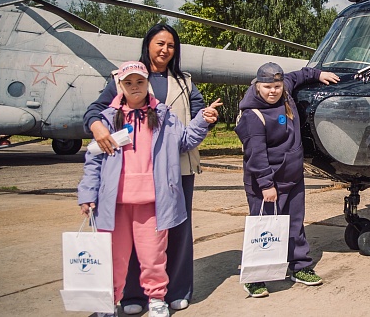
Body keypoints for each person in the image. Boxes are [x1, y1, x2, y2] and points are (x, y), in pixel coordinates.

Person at [77, 61, 220, 317]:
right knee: (115, 258)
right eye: (128, 83)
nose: (135, 87)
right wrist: (87, 193)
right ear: (119, 85)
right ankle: (108, 302)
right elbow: (94, 160)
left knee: (153, 257)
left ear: (147, 85)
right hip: (115, 204)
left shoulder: (164, 116)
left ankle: (156, 299)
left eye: (140, 82)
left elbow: (185, 141)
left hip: (154, 203)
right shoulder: (107, 120)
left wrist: (202, 120)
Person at [234, 62, 340, 298]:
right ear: (257, 86)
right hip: (266, 183)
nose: (273, 91)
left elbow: (298, 75)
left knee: (295, 224)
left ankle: (300, 266)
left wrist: (318, 74)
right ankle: (255, 278)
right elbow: (256, 155)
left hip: (292, 178)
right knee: (264, 230)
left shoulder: (286, 91)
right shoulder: (253, 115)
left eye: (277, 86)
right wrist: (266, 185)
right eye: (267, 86)